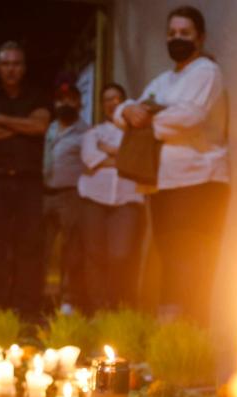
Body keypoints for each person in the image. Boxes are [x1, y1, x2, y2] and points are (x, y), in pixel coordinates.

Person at [115, 5, 229, 324]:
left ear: (200, 38)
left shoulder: (206, 72)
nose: (177, 38)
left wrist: (144, 119)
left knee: (189, 260)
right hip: (163, 182)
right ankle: (169, 332)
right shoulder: (163, 80)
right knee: (168, 255)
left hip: (198, 181)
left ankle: (190, 331)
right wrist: (128, 110)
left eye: (185, 33)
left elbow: (188, 118)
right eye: (172, 33)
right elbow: (126, 112)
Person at [0, 41, 50, 317]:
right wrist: (22, 126)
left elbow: (40, 126)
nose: (11, 69)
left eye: (16, 64)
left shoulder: (38, 96)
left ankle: (27, 306)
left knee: (29, 244)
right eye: (5, 64)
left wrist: (0, 120)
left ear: (24, 67)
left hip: (29, 181)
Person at [79, 83, 145, 312]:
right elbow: (90, 159)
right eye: (107, 99)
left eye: (117, 98)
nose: (112, 103)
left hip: (127, 199)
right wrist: (123, 157)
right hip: (94, 198)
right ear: (101, 105)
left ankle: (118, 306)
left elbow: (138, 160)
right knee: (94, 254)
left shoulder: (137, 134)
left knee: (121, 254)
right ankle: (99, 308)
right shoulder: (93, 133)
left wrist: (109, 150)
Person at [42, 83, 88, 312]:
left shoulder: (86, 132)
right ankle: (39, 296)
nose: (65, 104)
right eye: (61, 99)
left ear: (79, 102)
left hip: (71, 195)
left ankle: (68, 299)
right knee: (41, 248)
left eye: (70, 99)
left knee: (71, 250)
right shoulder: (48, 128)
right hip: (45, 194)